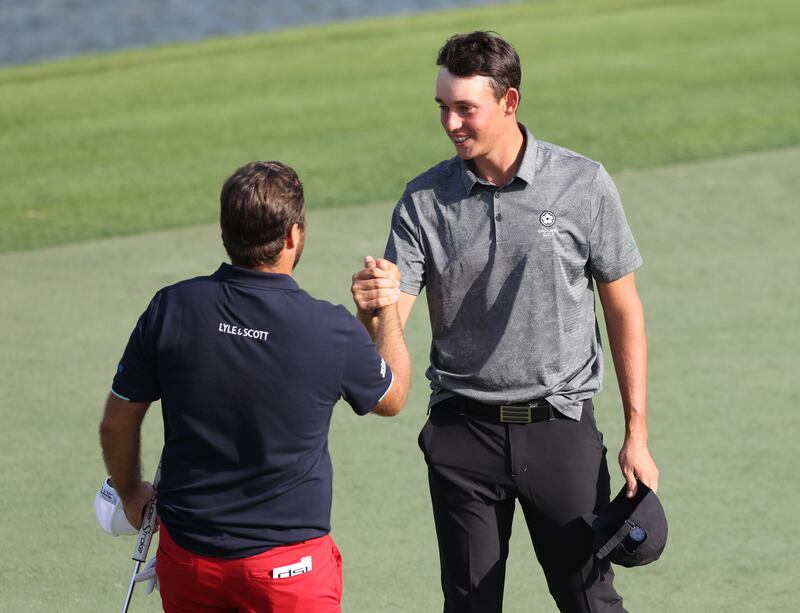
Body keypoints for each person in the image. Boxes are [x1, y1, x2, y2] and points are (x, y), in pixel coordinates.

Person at [351, 31, 659, 612]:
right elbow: (395, 324)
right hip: (463, 435)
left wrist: (636, 435)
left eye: (465, 108)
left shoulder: (582, 184)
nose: (450, 123)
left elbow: (624, 309)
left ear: (509, 102)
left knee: (589, 600)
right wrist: (374, 310)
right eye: (442, 106)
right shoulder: (423, 202)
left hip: (560, 429)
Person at [100, 160, 410, 613]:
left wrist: (130, 493)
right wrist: (384, 311)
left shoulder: (172, 307)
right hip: (290, 575)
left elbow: (116, 423)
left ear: (225, 229)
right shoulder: (328, 329)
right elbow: (391, 396)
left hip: (190, 563)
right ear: (292, 236)